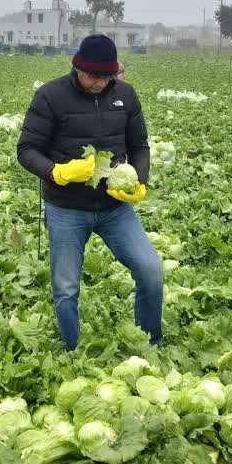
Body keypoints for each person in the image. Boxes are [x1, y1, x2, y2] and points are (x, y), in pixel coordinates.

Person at [17, 34, 161, 351]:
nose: (99, 83)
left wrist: (140, 181)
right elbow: (27, 149)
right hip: (67, 209)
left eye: (106, 76)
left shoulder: (126, 95)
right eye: (94, 76)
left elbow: (139, 146)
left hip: (115, 209)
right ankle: (72, 349)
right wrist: (55, 172)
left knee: (151, 270)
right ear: (78, 67)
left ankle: (151, 342)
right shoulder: (50, 96)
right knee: (66, 288)